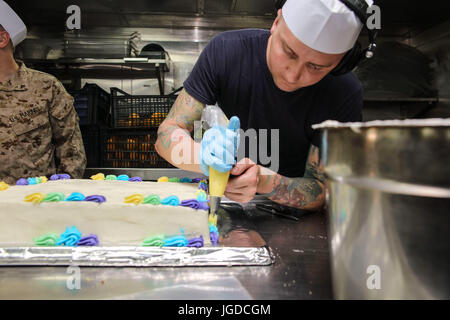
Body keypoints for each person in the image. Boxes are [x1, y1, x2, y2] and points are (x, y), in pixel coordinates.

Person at [156, 0, 375, 210]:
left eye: (316, 67)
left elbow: (323, 190)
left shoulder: (344, 92)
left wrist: (264, 181)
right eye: (289, 52)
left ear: (340, 62)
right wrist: (201, 157)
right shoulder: (226, 52)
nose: (293, 75)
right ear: (276, 23)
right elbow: (168, 133)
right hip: (225, 202)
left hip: (293, 219)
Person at [0, 1, 86, 184]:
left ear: (2, 39)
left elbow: (72, 153)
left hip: (31, 204)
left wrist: (57, 198)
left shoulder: (46, 88)